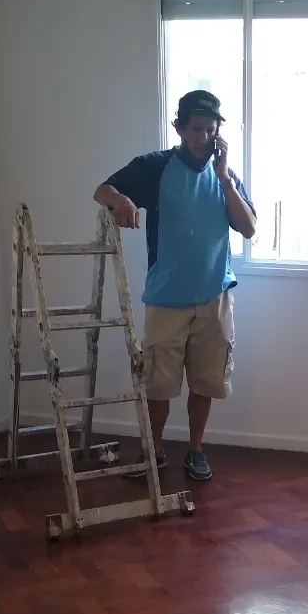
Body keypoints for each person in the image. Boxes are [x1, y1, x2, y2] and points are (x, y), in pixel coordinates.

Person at [94, 90, 256, 482]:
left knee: (205, 382)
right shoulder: (156, 166)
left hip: (214, 297)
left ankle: (195, 450)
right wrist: (122, 202)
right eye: (196, 129)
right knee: (158, 385)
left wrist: (224, 178)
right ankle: (153, 450)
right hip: (166, 299)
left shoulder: (225, 176)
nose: (203, 137)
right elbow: (102, 190)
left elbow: (248, 227)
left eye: (210, 130)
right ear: (179, 128)